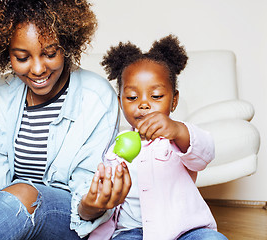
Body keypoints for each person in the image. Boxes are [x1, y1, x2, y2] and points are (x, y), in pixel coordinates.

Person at [0, 0, 131, 239]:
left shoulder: (95, 95)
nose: (37, 69)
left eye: (50, 53)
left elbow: (87, 183)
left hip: (69, 216)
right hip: (8, 205)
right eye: (22, 58)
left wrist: (91, 205)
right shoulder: (1, 92)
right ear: (6, 53)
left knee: (23, 193)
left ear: (66, 44)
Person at [89, 35, 228, 240]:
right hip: (132, 232)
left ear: (174, 101)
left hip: (185, 231)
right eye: (132, 97)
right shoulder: (114, 147)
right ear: (120, 102)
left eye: (155, 96)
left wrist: (178, 130)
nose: (144, 104)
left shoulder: (179, 138)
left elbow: (205, 153)